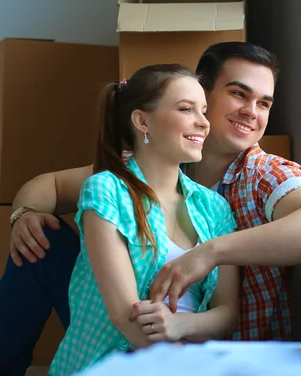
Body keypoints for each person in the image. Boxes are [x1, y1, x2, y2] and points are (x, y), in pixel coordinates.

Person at [0, 41, 301, 376]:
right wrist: (24, 216)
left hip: (206, 337)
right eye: (238, 94)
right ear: (201, 92)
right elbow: (48, 185)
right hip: (128, 318)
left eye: (264, 103)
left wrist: (211, 252)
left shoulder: (262, 174)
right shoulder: (130, 174)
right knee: (44, 241)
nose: (251, 111)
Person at [48, 64, 239, 375]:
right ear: (142, 121)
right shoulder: (106, 190)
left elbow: (228, 315)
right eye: (186, 109)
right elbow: (124, 315)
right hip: (117, 362)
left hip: (191, 361)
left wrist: (179, 324)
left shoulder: (214, 208)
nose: (203, 123)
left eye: (203, 111)